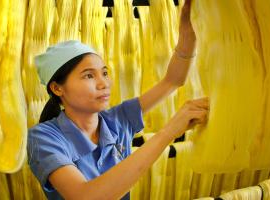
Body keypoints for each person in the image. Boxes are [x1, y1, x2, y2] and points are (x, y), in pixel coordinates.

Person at [27, 0, 208, 199]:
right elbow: (85, 196)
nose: (104, 83)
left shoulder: (116, 120)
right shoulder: (42, 138)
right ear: (57, 88)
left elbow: (172, 81)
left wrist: (188, 36)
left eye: (104, 73)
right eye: (89, 75)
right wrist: (170, 131)